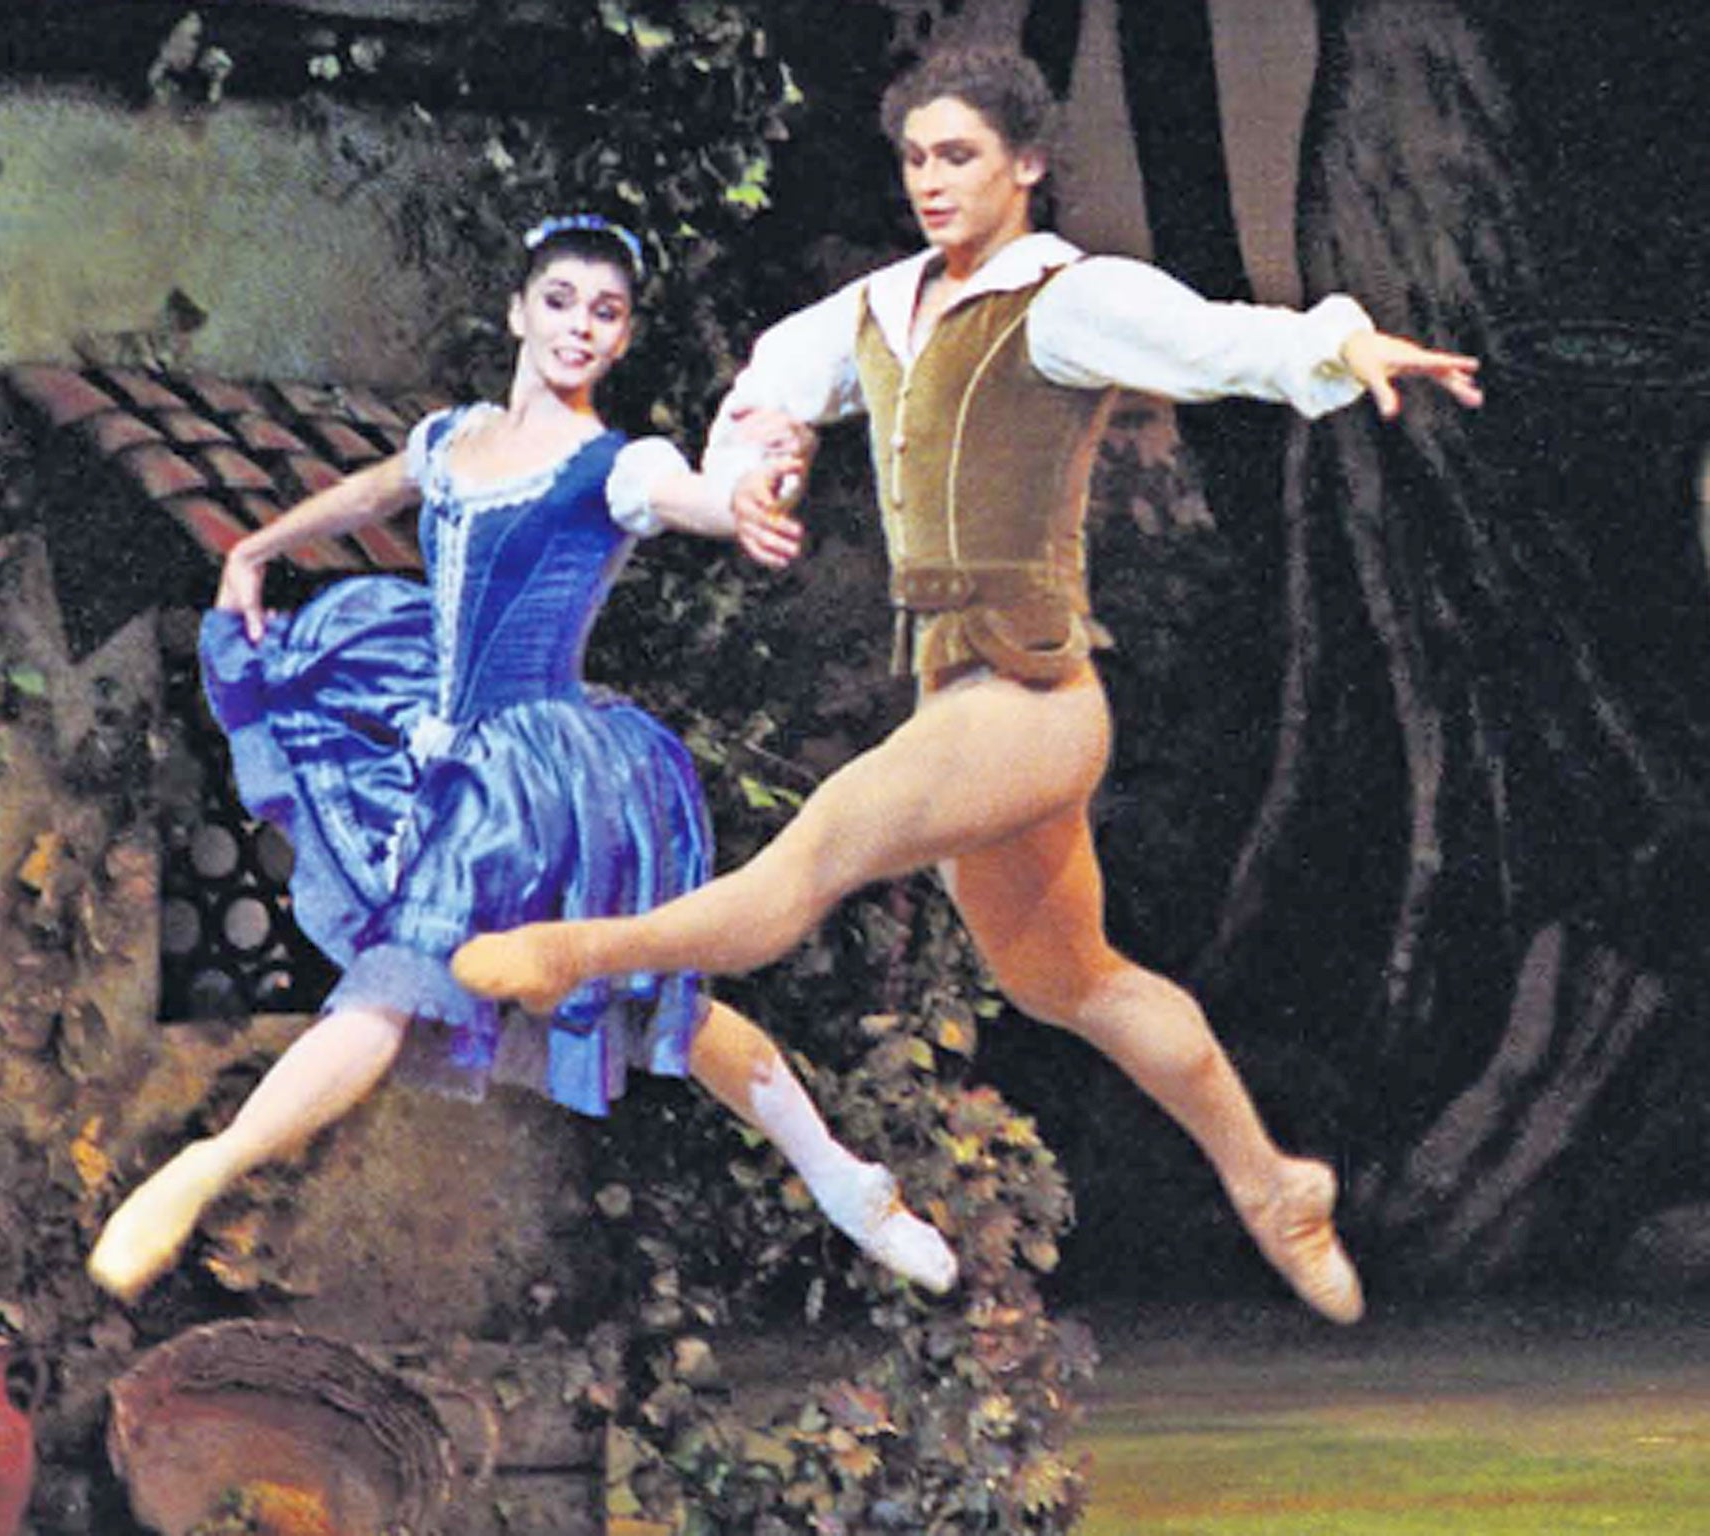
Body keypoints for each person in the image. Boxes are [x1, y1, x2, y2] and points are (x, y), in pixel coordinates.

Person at [454, 49, 1487, 1326]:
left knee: (804, 865)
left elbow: (1222, 344)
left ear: (1026, 164)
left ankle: (574, 954)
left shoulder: (1063, 299)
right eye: (916, 158)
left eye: (959, 156)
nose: (932, 181)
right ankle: (1274, 1181)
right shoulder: (880, 311)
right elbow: (773, 381)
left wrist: (1339, 347)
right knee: (1072, 981)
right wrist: (755, 468)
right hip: (959, 700)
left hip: (1036, 700)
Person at [87, 215, 958, 1303]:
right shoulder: (455, 439)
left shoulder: (616, 465)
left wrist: (736, 502)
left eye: (604, 312)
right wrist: (256, 549)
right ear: (517, 311)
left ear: (624, 336)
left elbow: (684, 495)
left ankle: (843, 1182)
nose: (577, 328)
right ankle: (841, 1175)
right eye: (559, 302)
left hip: (534, 779)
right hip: (432, 743)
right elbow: (374, 492)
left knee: (614, 1008)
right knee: (482, 992)